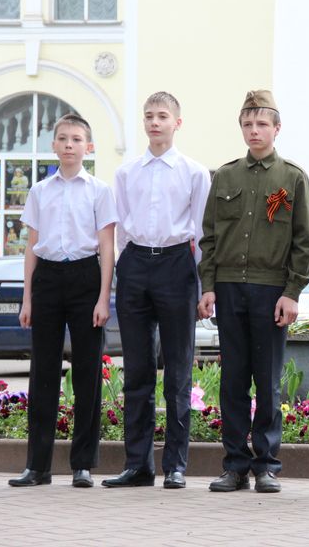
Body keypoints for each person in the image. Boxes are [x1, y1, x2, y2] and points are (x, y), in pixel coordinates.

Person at [198, 90, 309, 493]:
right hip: (230, 290)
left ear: (277, 128)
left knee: (268, 382)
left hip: (271, 293)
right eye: (247, 124)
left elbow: (304, 242)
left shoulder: (292, 178)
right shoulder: (225, 177)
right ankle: (234, 465)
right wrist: (209, 286)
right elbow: (209, 237)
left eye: (262, 124)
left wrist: (293, 292)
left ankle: (266, 465)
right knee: (232, 380)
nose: (254, 131)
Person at [103, 92, 211, 489]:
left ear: (177, 123)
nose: (154, 122)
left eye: (162, 116)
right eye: (148, 116)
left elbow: (200, 232)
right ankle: (138, 464)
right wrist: (124, 268)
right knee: (137, 371)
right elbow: (121, 227)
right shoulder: (126, 172)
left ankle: (177, 465)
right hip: (135, 265)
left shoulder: (194, 173)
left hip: (176, 266)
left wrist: (200, 285)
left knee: (178, 371)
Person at [8, 114, 117, 488]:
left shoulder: (99, 191)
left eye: (76, 139)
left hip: (86, 278)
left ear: (89, 147)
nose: (69, 144)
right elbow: (31, 247)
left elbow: (106, 246)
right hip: (48, 281)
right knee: (43, 374)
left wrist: (104, 297)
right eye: (62, 138)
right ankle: (37, 466)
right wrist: (27, 299)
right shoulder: (40, 191)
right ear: (53, 145)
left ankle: (83, 464)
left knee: (87, 372)